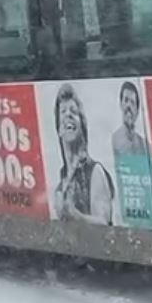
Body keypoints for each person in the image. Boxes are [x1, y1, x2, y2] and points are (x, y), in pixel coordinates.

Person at [53, 83, 114, 225]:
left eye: (73, 111)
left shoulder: (94, 171)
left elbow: (104, 224)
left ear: (82, 126)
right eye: (63, 111)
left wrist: (75, 215)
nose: (68, 114)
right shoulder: (60, 186)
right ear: (59, 129)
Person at [111, 80, 149, 156]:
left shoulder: (144, 145)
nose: (128, 105)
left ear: (137, 111)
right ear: (121, 104)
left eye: (132, 102)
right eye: (126, 100)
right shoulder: (114, 139)